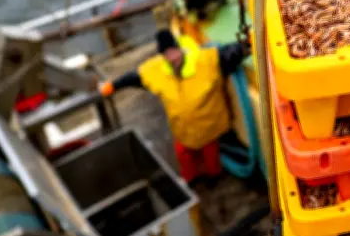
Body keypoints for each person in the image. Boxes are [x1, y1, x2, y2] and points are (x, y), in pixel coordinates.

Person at [99, 29, 250, 183]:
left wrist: (247, 44)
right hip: (182, 131)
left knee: (211, 158)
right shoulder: (155, 71)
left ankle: (214, 178)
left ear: (180, 48)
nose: (172, 58)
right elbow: (133, 78)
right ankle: (191, 181)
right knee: (184, 158)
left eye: (174, 51)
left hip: (209, 129)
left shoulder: (205, 60)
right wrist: (113, 86)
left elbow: (230, 54)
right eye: (166, 54)